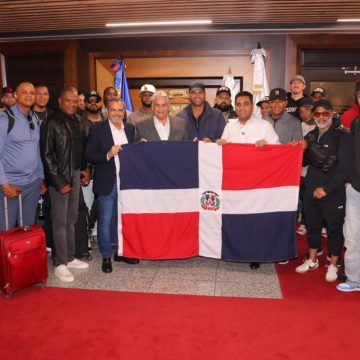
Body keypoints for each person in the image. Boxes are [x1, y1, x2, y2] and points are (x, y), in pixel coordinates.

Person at [217, 90, 279, 269]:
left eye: (246, 104)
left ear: (252, 106)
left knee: (254, 221)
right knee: (236, 219)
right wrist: (219, 143)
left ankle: (255, 254)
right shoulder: (229, 125)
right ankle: (236, 251)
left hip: (256, 184)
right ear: (234, 107)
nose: (242, 107)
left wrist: (266, 146)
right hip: (234, 183)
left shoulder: (264, 126)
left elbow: (278, 151)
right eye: (238, 104)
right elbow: (223, 151)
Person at [295, 99, 352, 282]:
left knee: (334, 229)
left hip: (332, 192)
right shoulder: (311, 135)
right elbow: (304, 163)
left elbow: (345, 168)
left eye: (324, 113)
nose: (321, 117)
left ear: (331, 114)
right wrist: (300, 149)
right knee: (312, 226)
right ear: (313, 116)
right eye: (317, 114)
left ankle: (334, 264)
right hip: (311, 189)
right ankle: (312, 260)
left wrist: (326, 189)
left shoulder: (342, 136)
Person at [40, 86, 90, 283]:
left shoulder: (77, 120)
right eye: (67, 100)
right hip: (60, 178)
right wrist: (59, 182)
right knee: (59, 222)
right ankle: (60, 263)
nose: (71, 104)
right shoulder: (51, 122)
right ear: (60, 101)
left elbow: (80, 150)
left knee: (71, 218)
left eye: (74, 100)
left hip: (76, 174)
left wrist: (85, 169)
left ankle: (69, 257)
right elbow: (47, 155)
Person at [85, 98, 138, 273]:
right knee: (106, 220)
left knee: (121, 219)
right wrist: (107, 154)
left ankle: (120, 252)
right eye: (113, 110)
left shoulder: (130, 129)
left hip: (126, 182)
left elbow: (134, 152)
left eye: (120, 110)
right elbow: (89, 155)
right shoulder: (98, 129)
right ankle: (106, 255)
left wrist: (141, 146)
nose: (117, 113)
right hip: (107, 181)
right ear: (107, 111)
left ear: (124, 112)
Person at [0, 81, 45, 230]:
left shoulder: (34, 119)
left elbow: (37, 151)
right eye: (24, 92)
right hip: (10, 185)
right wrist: (4, 184)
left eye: (32, 93)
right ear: (16, 95)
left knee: (28, 230)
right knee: (6, 231)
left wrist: (40, 177)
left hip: (32, 185)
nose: (29, 96)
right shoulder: (5, 120)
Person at [337, 113, 360, 292]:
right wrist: (348, 181)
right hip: (354, 189)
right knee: (351, 237)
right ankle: (354, 279)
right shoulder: (356, 122)